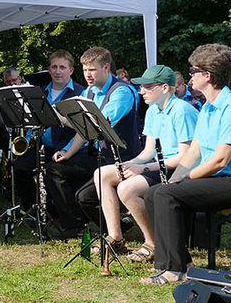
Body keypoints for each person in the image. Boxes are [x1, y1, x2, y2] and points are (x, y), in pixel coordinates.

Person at [142, 44, 231, 284]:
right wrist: (175, 178)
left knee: (166, 195)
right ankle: (185, 263)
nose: (190, 76)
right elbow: (195, 152)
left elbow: (221, 159)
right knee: (154, 193)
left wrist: (186, 179)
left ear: (207, 76)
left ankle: (173, 269)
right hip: (224, 177)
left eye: (193, 71)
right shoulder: (208, 108)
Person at [80, 65, 198, 263]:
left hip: (179, 170)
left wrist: (143, 168)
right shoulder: (153, 110)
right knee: (102, 173)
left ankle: (152, 243)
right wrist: (127, 164)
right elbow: (148, 151)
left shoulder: (182, 110)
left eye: (147, 87)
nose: (141, 91)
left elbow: (185, 158)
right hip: (160, 164)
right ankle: (116, 237)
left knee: (127, 188)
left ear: (165, 88)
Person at [45, 47, 141, 240]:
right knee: (55, 168)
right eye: (85, 70)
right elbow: (84, 129)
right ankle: (79, 226)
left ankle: (114, 231)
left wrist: (62, 119)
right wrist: (68, 152)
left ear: (106, 67)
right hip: (100, 158)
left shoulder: (122, 91)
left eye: (92, 69)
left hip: (124, 159)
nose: (87, 74)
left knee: (84, 197)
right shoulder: (90, 91)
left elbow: (97, 125)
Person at [13, 50, 85, 213]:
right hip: (42, 146)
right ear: (49, 70)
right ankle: (32, 208)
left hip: (67, 147)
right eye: (54, 67)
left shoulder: (80, 93)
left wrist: (66, 149)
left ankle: (55, 210)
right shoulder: (39, 93)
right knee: (20, 167)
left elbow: (83, 129)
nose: (58, 71)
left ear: (71, 70)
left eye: (62, 67)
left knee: (53, 171)